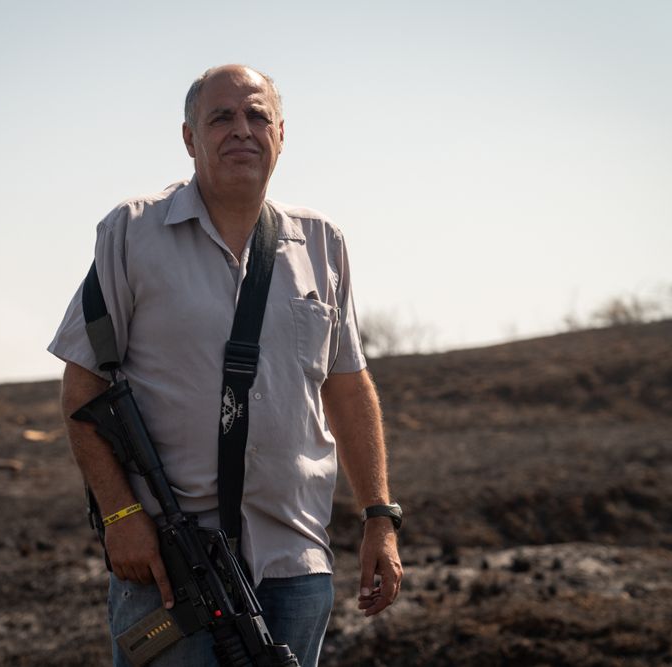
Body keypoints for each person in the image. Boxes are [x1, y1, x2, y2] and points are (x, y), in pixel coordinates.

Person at [49, 64, 402, 666]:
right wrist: (122, 515)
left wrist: (379, 516)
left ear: (281, 134)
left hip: (296, 561)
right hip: (170, 566)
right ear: (190, 138)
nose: (242, 129)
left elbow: (346, 386)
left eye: (257, 115)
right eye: (221, 117)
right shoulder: (131, 233)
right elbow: (83, 389)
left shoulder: (323, 244)